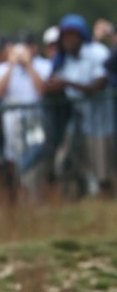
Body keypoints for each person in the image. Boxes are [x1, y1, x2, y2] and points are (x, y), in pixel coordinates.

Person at [45, 14, 114, 196]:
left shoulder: (97, 52)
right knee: (66, 162)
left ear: (81, 35)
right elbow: (54, 83)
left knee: (104, 170)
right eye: (65, 36)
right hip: (78, 123)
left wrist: (65, 84)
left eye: (72, 35)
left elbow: (99, 84)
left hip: (102, 122)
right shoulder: (63, 60)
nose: (68, 40)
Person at [0, 31, 52, 195]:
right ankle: (23, 196)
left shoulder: (43, 65)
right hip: (13, 126)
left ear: (33, 48)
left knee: (36, 158)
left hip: (36, 121)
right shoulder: (4, 68)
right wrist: (11, 65)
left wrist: (29, 65)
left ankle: (36, 194)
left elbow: (42, 90)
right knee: (15, 161)